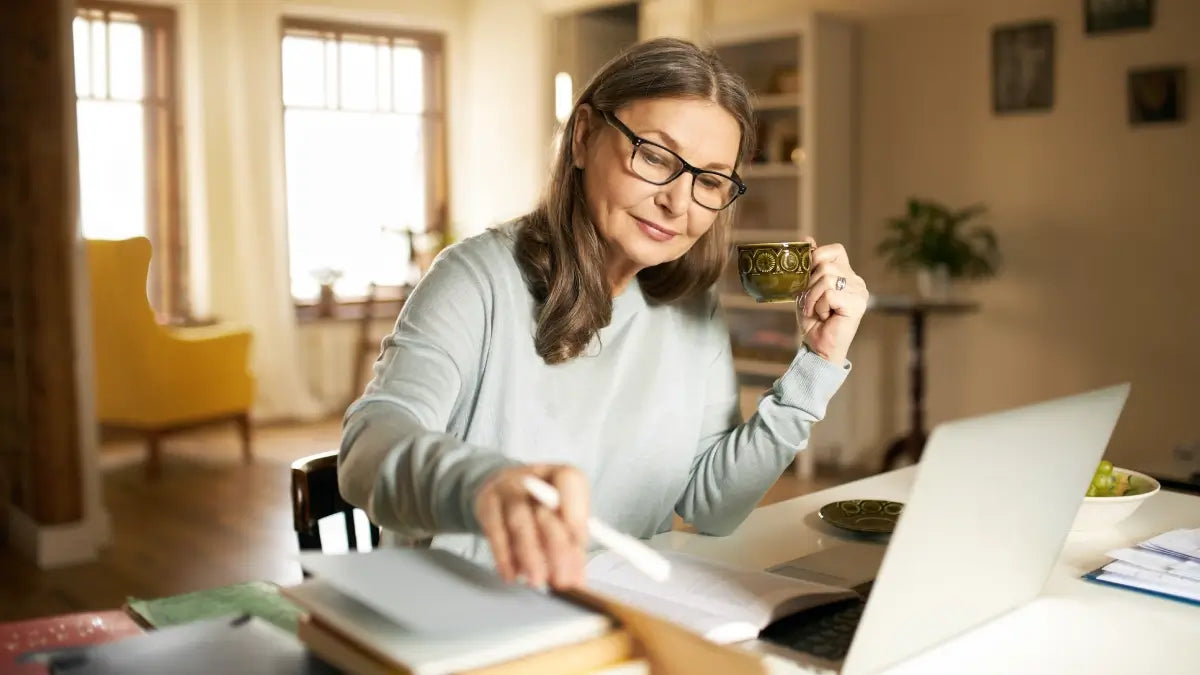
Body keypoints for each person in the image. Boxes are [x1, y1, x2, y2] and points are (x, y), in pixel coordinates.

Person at [338, 37, 869, 592]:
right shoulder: (475, 278)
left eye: (709, 181)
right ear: (585, 137)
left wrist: (818, 362)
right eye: (657, 156)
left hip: (618, 610)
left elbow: (715, 505)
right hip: (469, 615)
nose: (679, 202)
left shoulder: (692, 306)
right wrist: (481, 484)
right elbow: (365, 449)